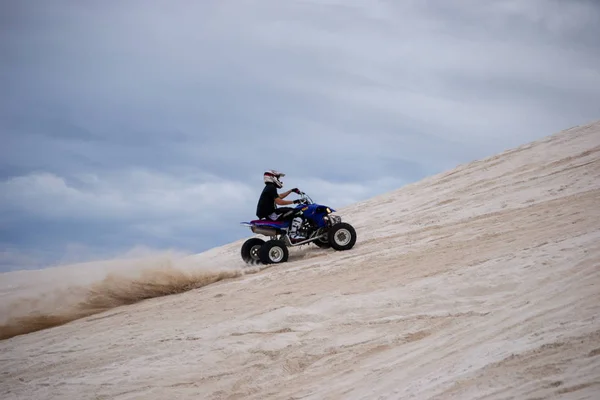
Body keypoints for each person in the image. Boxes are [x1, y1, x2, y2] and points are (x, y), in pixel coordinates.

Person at [256, 170, 306, 242]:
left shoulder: (269, 187)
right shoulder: (271, 188)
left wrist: (291, 191)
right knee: (297, 212)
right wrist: (294, 201)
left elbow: (279, 196)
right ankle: (292, 235)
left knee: (289, 210)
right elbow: (279, 202)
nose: (279, 180)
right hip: (271, 214)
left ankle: (288, 231)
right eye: (278, 178)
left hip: (268, 214)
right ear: (273, 177)